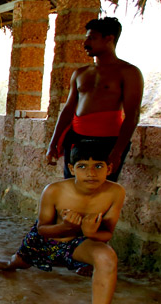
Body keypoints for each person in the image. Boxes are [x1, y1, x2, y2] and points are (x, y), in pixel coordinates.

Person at [0, 141, 125, 304]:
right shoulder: (55, 191)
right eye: (82, 166)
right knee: (20, 262)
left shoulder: (115, 192)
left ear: (110, 168)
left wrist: (88, 232)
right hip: (47, 240)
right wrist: (67, 227)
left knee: (106, 257)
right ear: (71, 168)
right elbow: (43, 229)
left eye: (98, 166)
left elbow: (106, 234)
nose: (90, 173)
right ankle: (10, 263)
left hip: (79, 243)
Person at [46, 17, 143, 181]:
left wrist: (117, 152)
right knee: (72, 187)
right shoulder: (80, 73)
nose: (85, 43)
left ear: (109, 38)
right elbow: (68, 110)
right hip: (76, 138)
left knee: (101, 191)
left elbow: (132, 115)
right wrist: (53, 143)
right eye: (87, 38)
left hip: (108, 142)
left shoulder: (129, 72)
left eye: (92, 38)